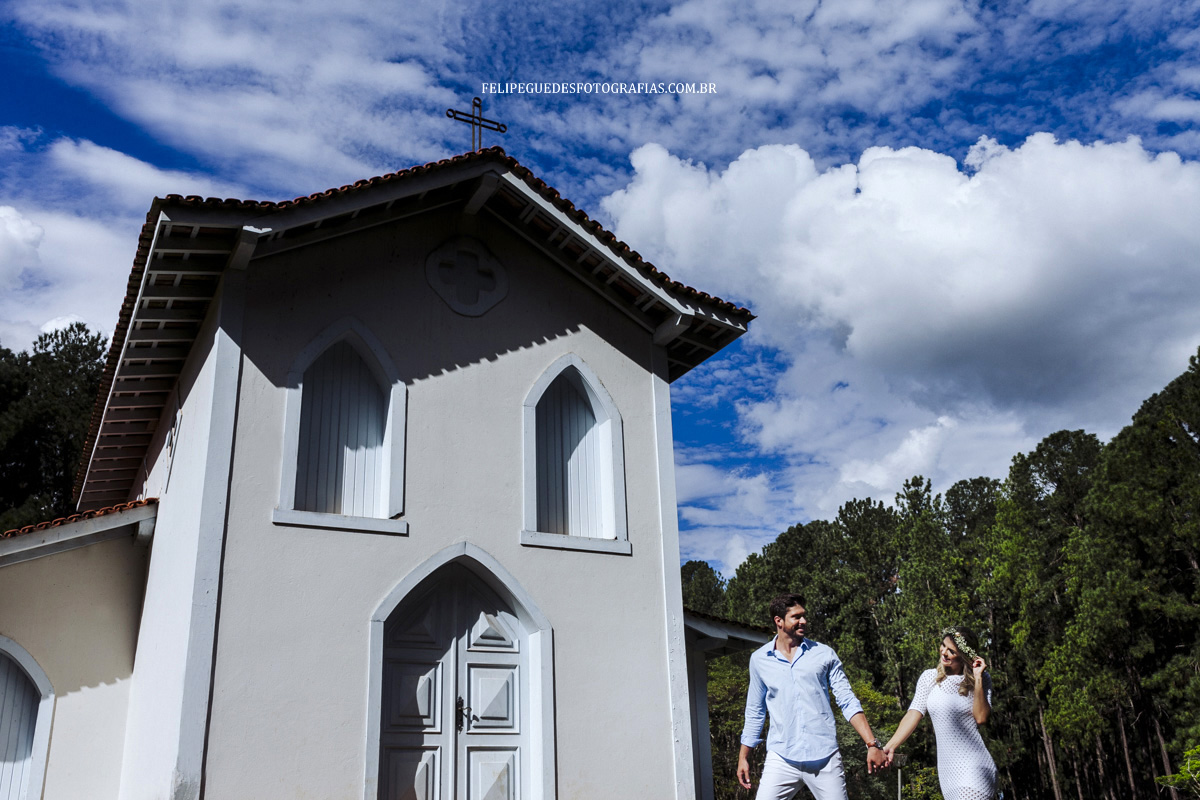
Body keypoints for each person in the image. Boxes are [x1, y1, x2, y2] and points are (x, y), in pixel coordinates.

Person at [738, 593, 890, 800]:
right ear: (779, 621)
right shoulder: (759, 660)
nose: (804, 621)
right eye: (796, 617)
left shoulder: (824, 654)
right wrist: (743, 757)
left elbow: (847, 700)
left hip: (825, 757)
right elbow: (755, 710)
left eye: (804, 616)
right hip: (781, 757)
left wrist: (872, 744)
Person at [884, 626, 997, 800]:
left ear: (964, 655)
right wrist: (890, 746)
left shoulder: (980, 679)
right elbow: (913, 713)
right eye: (943, 645)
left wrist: (978, 677)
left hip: (975, 769)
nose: (944, 652)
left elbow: (981, 718)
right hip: (948, 774)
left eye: (951, 651)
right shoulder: (929, 678)